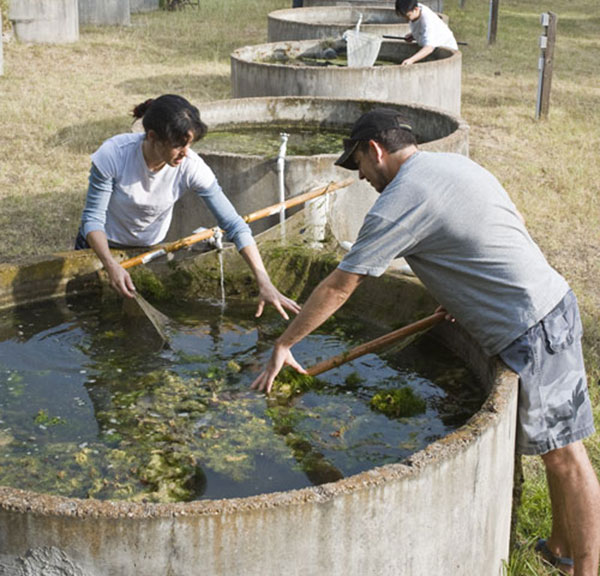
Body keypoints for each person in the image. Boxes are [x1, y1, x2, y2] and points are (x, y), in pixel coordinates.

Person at [252, 108, 600, 576]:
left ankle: (587, 568)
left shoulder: (400, 198)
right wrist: (468, 292)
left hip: (532, 325)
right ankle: (560, 548)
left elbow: (340, 286)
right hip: (545, 307)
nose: (362, 178)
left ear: (374, 149)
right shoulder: (451, 166)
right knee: (556, 447)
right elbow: (501, 221)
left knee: (565, 455)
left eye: (358, 165)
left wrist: (284, 345)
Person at [75, 94, 300, 320]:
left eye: (189, 144)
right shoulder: (114, 155)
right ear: (152, 137)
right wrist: (110, 264)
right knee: (86, 316)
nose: (185, 152)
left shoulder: (190, 167)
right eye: (177, 145)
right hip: (99, 248)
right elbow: (93, 219)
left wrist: (264, 281)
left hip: (145, 251)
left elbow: (235, 225)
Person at [395, 0, 458, 66]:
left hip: (445, 52)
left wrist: (411, 60)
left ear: (416, 9)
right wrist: (413, 34)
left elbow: (429, 48)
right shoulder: (415, 10)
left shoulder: (428, 21)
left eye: (407, 16)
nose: (405, 19)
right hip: (434, 49)